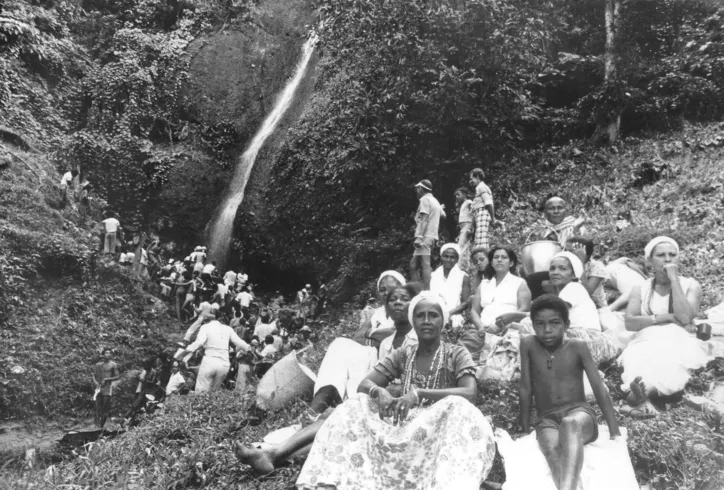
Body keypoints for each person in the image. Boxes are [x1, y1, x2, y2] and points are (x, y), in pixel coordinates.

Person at [293, 291, 496, 488]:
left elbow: (470, 393)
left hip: (438, 435)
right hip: (403, 428)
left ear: (442, 321)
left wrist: (419, 394)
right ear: (413, 321)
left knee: (460, 407)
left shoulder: (456, 353)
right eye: (420, 316)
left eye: (433, 315)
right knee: (356, 404)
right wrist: (379, 392)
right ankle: (329, 474)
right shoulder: (403, 354)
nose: (426, 320)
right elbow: (364, 384)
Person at [519, 295, 621, 490]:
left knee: (569, 424)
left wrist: (614, 431)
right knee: (551, 449)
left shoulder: (577, 346)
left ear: (567, 324)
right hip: (546, 418)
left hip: (579, 413)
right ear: (532, 325)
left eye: (555, 323)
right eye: (539, 324)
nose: (547, 330)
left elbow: (598, 387)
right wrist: (524, 428)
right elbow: (525, 387)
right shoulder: (528, 344)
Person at [620, 237, 710, 417]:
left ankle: (645, 393)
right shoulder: (641, 288)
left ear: (678, 258)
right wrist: (665, 317)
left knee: (670, 358)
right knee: (637, 356)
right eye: (661, 255)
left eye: (672, 255)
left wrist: (674, 280)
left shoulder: (691, 285)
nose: (667, 259)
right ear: (650, 260)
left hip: (678, 336)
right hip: (646, 337)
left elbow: (684, 317)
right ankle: (641, 397)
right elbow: (630, 323)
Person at [547, 252, 619, 366]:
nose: (555, 272)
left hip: (584, 338)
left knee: (529, 327)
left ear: (574, 275)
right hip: (586, 339)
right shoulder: (567, 290)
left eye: (563, 269)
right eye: (552, 268)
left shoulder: (573, 287)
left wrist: (517, 316)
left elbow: (551, 315)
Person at [179, 314, 250, 392]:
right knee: (213, 393)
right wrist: (249, 348)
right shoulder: (228, 329)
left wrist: (183, 353)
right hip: (224, 365)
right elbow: (239, 342)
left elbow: (199, 342)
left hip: (209, 362)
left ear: (205, 321)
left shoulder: (205, 327)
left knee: (201, 391)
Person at [471, 246, 532, 334]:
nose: (499, 260)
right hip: (483, 330)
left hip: (509, 330)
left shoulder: (520, 283)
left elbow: (524, 308)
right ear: (491, 263)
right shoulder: (484, 284)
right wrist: (480, 327)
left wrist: (500, 326)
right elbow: (474, 311)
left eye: (504, 257)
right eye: (496, 257)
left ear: (511, 263)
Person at [410, 179, 444, 290]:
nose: (416, 190)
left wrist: (419, 237)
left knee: (425, 263)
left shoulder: (425, 200)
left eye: (417, 188)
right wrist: (438, 209)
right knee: (413, 264)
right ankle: (417, 289)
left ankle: (425, 290)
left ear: (421, 188)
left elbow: (424, 219)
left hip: (425, 236)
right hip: (431, 236)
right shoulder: (435, 200)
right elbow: (443, 215)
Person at [429, 243, 471, 331]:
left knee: (453, 329)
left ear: (457, 259)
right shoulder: (433, 276)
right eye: (446, 256)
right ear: (441, 257)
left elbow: (466, 303)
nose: (449, 259)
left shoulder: (463, 277)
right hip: (433, 313)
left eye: (452, 257)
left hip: (454, 315)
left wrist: (448, 313)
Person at [565, 236, 607, 308]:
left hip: (594, 306)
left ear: (585, 253)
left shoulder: (597, 266)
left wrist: (580, 262)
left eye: (571, 251)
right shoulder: (566, 264)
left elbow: (586, 293)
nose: (566, 254)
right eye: (565, 250)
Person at [469, 168, 500, 250]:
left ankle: (483, 258)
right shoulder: (479, 188)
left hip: (482, 212)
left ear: (478, 177)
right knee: (479, 238)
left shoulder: (481, 187)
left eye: (472, 178)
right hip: (479, 214)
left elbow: (488, 203)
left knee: (481, 240)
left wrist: (493, 219)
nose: (470, 181)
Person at [93, 348, 119, 428]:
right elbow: (94, 375)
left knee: (105, 407)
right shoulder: (98, 365)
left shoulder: (113, 365)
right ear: (103, 355)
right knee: (97, 406)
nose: (108, 354)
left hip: (107, 387)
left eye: (110, 353)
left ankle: (101, 425)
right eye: (106, 353)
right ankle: (96, 425)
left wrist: (107, 379)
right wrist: (95, 382)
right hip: (99, 387)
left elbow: (117, 376)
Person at [455, 187, 474, 271]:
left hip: (467, 225)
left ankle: (460, 267)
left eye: (458, 194)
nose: (457, 197)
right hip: (463, 227)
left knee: (461, 246)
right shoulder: (462, 204)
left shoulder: (468, 202)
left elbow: (474, 213)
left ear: (464, 194)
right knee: (465, 247)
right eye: (456, 195)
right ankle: (466, 267)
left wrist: (471, 227)